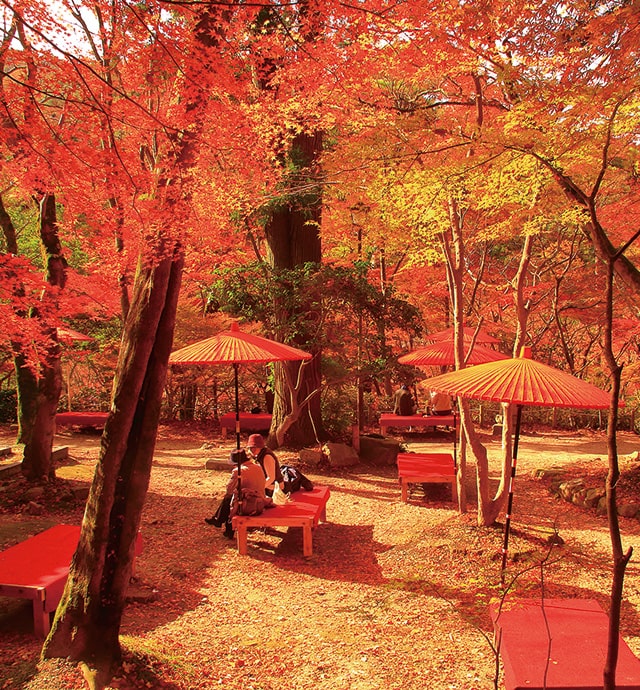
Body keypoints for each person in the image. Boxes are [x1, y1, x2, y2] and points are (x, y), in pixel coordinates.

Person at [204, 448, 267, 539]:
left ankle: (220, 521)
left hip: (250, 504)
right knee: (233, 498)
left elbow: (229, 489)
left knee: (230, 499)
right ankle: (219, 521)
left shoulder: (239, 471)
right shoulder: (258, 467)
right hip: (261, 501)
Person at [247, 433, 284, 497]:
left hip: (274, 488)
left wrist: (257, 489)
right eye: (250, 448)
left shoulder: (267, 457)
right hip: (266, 485)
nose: (251, 450)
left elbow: (271, 478)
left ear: (260, 447)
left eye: (254, 448)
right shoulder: (257, 455)